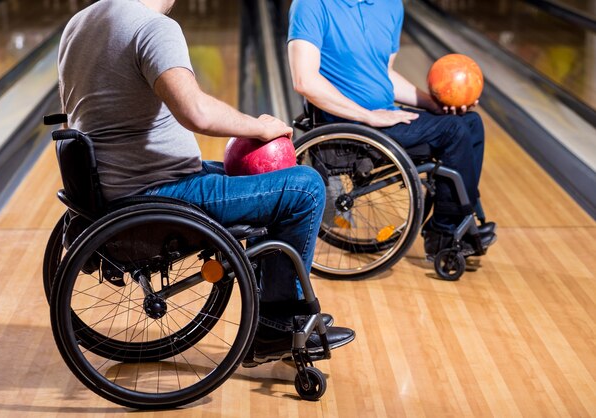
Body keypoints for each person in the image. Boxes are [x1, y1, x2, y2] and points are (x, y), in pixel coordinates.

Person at [58, 0, 354, 367]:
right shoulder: (152, 28)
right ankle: (277, 324)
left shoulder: (79, 24)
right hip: (160, 194)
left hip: (112, 191)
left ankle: (270, 308)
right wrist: (261, 126)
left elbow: (76, 118)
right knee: (304, 187)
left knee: (262, 180)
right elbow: (195, 112)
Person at [287, 0, 497, 259]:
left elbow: (385, 75)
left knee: (470, 122)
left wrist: (436, 104)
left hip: (385, 119)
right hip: (348, 127)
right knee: (453, 131)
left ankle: (457, 219)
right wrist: (367, 116)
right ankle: (445, 232)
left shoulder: (390, 5)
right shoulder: (311, 5)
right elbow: (304, 80)